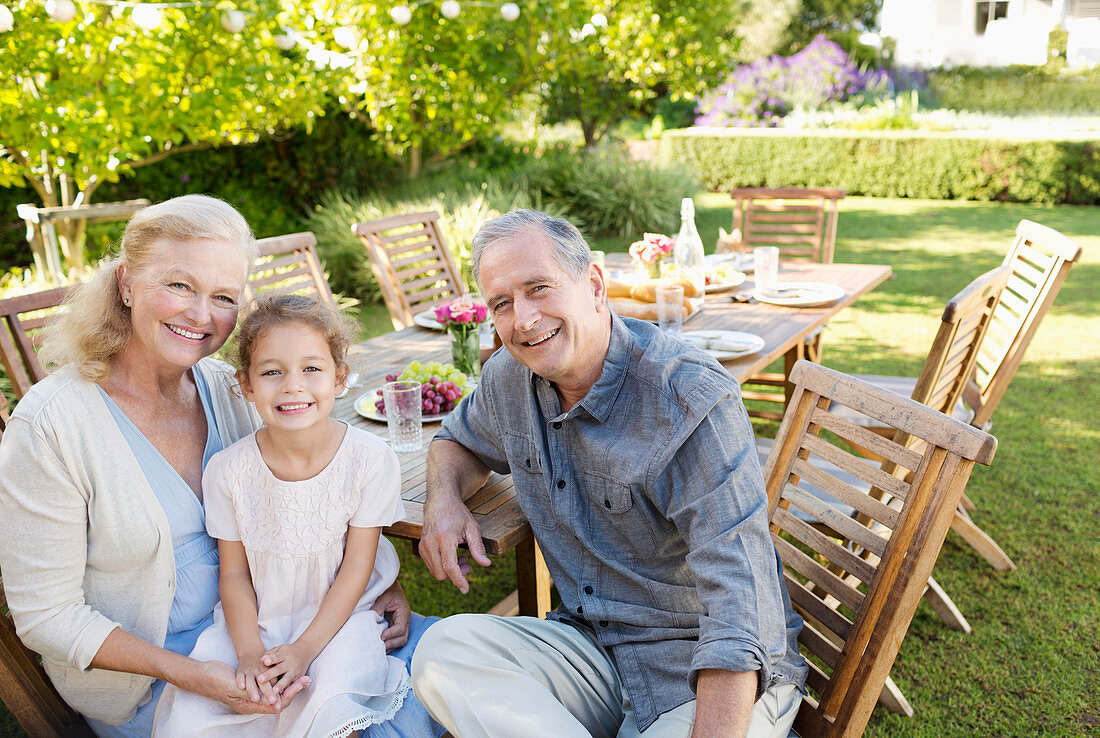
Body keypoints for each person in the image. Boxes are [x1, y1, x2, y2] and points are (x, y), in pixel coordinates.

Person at [0, 195, 440, 738]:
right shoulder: (50, 427)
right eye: (179, 285)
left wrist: (374, 581)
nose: (202, 315)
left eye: (224, 296)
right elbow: (46, 617)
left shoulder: (226, 389)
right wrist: (190, 673)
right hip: (157, 680)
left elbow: (304, 494)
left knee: (459, 670)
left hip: (285, 628)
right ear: (127, 283)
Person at [412, 209, 808, 737]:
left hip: (705, 662)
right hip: (593, 645)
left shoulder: (689, 399)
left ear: (594, 285)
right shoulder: (509, 378)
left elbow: (740, 604)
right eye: (502, 303)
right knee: (444, 650)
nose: (523, 318)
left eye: (539, 288)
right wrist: (443, 500)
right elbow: (455, 442)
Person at [154, 295, 422, 737]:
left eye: (311, 369)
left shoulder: (370, 461)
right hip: (256, 620)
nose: (293, 386)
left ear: (340, 378)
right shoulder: (228, 471)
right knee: (198, 718)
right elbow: (235, 575)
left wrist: (302, 650)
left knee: (331, 707)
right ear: (246, 385)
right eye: (272, 371)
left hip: (339, 620)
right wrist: (247, 653)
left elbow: (357, 567)